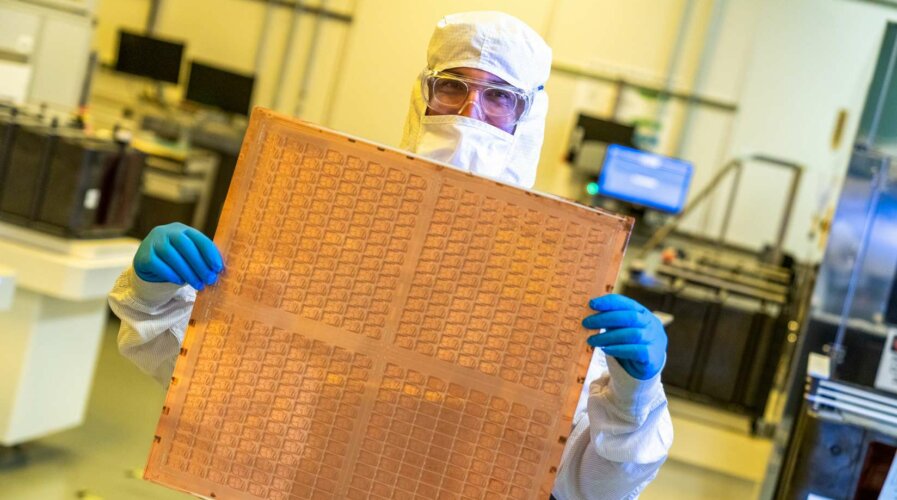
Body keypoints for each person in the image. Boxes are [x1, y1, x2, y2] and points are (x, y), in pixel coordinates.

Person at [108, 11, 672, 500]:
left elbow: (590, 484)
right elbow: (221, 375)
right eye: (452, 87)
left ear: (529, 117)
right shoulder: (339, 224)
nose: (469, 113)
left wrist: (634, 396)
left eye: (499, 96)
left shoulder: (555, 271)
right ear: (423, 94)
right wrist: (154, 293)